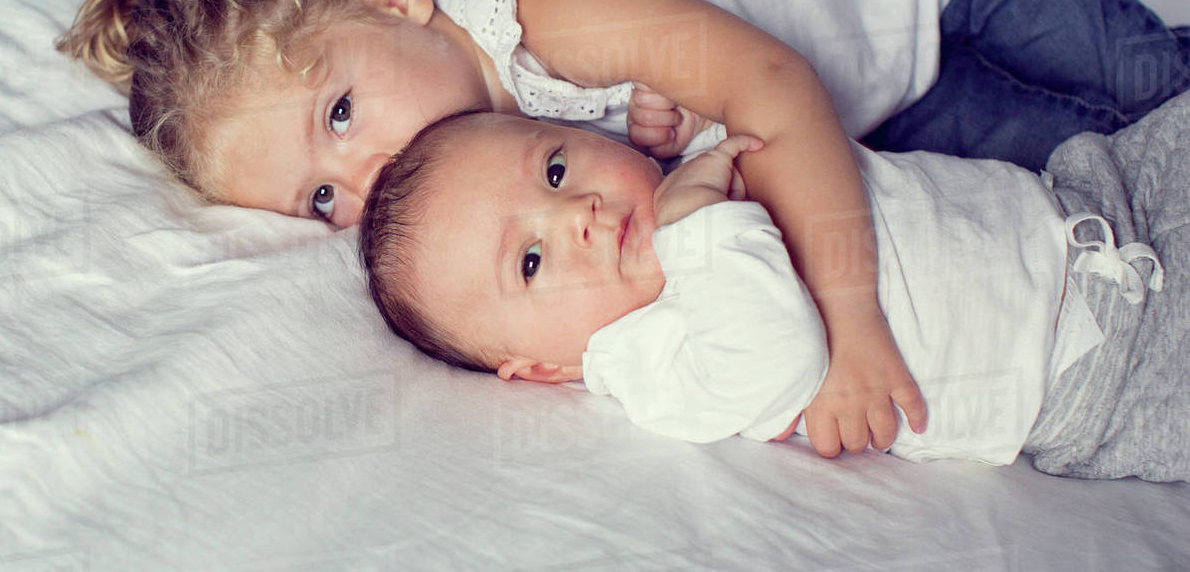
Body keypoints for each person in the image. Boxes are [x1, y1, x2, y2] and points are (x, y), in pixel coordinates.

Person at [56, 0, 1189, 459]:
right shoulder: (496, 181)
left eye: (340, 115)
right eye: (316, 199)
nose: (362, 179)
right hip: (867, 113)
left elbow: (777, 84)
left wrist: (852, 331)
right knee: (1084, 172)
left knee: (1150, 91)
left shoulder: (556, 14)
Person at [359, 107, 1186, 482]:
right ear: (537, 367)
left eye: (555, 168)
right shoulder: (650, 361)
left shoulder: (696, 176)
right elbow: (782, 351)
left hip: (1091, 191)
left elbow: (801, 132)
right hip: (1096, 367)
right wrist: (693, 222)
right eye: (530, 262)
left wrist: (683, 133)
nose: (576, 214)